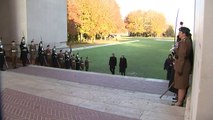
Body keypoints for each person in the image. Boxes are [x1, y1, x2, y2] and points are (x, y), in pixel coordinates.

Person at [173, 27, 193, 106]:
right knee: (180, 84)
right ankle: (179, 100)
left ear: (184, 33)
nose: (179, 34)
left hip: (183, 66)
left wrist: (179, 69)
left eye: (180, 32)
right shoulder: (185, 41)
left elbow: (182, 56)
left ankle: (179, 102)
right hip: (184, 65)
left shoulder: (184, 42)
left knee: (181, 85)